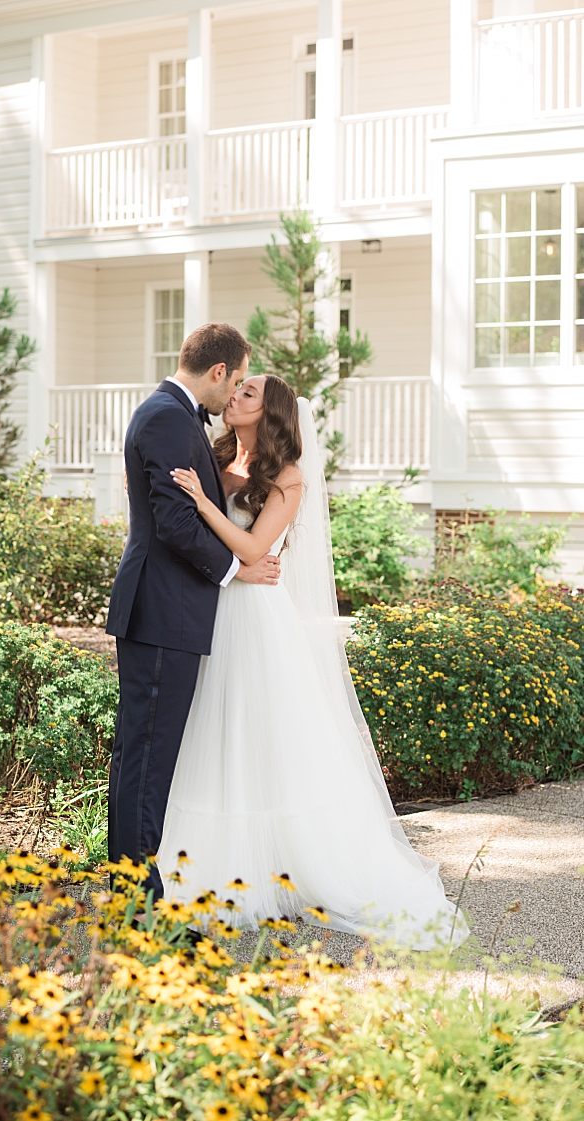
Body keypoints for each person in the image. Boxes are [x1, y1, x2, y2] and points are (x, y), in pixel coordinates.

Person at [163, 375, 467, 948]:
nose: (234, 397)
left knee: (262, 737)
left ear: (271, 414)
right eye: (236, 390)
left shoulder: (288, 477)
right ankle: (209, 865)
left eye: (248, 394)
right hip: (212, 610)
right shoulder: (215, 453)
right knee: (213, 734)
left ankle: (277, 869)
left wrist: (203, 503)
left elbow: (256, 551)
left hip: (255, 617)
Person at [104, 323, 282, 900]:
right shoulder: (167, 417)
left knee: (145, 755)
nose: (232, 397)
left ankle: (135, 885)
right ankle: (138, 898)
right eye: (233, 382)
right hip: (162, 611)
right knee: (147, 759)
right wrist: (238, 570)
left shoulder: (173, 417)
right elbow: (176, 522)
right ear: (217, 371)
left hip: (168, 611)